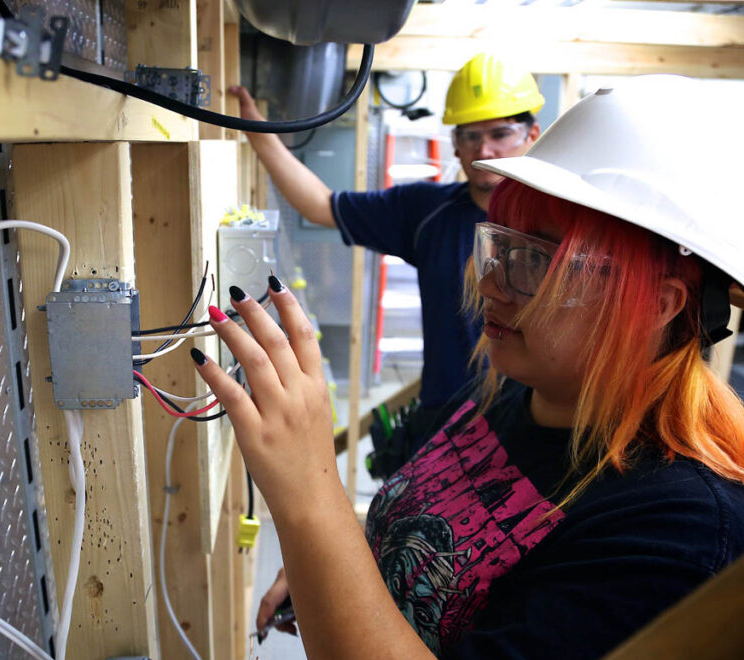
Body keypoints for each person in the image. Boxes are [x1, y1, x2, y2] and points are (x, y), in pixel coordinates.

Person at [191, 74, 744, 660]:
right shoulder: (514, 390)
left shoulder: (685, 532)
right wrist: (334, 566)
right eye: (500, 247)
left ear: (659, 305)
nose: (489, 284)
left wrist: (309, 501)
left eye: (536, 260)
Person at [230, 53, 545, 451]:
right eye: (470, 135)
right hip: (445, 428)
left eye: (501, 134)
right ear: (455, 143)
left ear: (532, 135)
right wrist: (255, 130)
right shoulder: (427, 212)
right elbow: (319, 206)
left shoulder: (558, 224)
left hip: (530, 429)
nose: (485, 149)